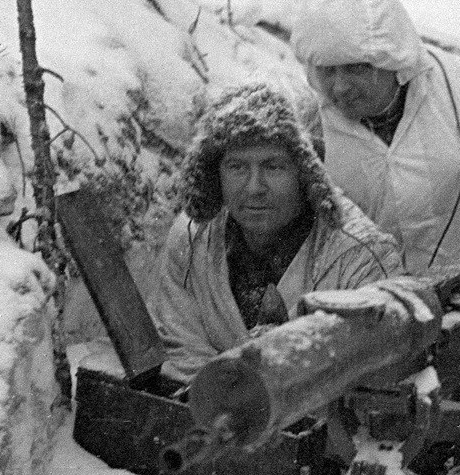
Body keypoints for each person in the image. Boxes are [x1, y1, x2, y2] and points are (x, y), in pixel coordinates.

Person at [148, 83, 402, 382]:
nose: (254, 188)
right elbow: (180, 352)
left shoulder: (358, 258)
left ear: (307, 173)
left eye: (274, 166)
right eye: (237, 167)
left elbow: (375, 376)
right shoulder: (192, 238)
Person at [288, 0, 460, 272]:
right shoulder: (308, 124)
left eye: (355, 69)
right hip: (368, 305)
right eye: (327, 71)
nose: (340, 88)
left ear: (392, 61)